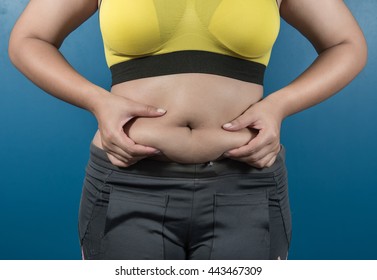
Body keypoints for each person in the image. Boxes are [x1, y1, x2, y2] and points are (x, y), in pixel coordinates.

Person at [8, 0, 367, 260]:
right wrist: (97, 101)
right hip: (129, 185)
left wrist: (279, 105)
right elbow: (29, 38)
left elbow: (346, 44)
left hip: (245, 189)